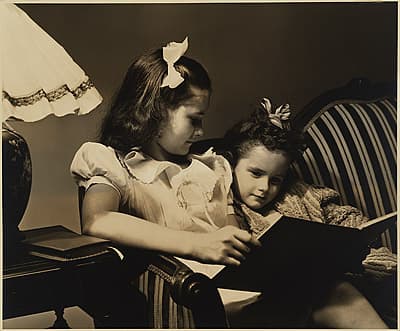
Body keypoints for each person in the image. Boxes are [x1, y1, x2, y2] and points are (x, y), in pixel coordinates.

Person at [70, 37, 259, 270]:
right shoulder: (116, 164)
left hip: (230, 282)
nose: (201, 131)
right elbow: (97, 220)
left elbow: (231, 238)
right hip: (181, 290)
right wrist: (197, 244)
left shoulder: (214, 167)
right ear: (154, 112)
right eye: (193, 119)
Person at [221, 97, 396, 328]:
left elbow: (353, 226)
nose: (264, 188)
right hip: (267, 303)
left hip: (332, 290)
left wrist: (361, 258)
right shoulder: (225, 205)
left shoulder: (303, 196)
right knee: (335, 290)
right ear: (231, 165)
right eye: (255, 173)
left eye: (275, 180)